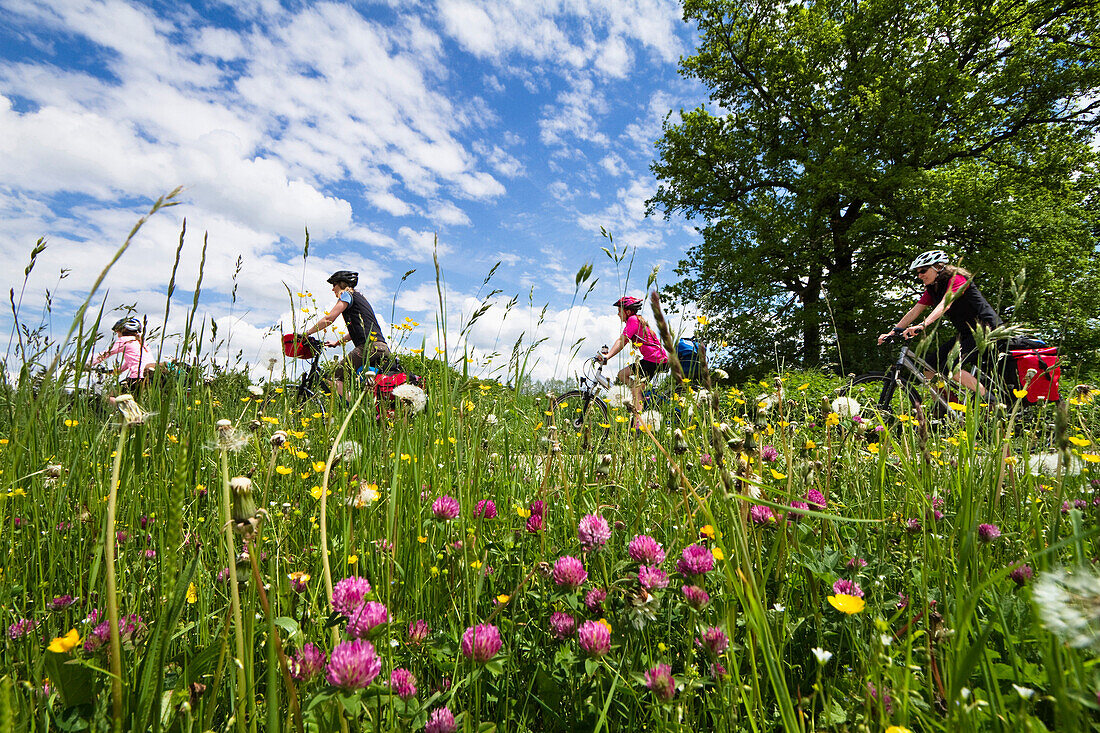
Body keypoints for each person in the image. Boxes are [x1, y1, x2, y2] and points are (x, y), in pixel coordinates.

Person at [877, 250, 1003, 395]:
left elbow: (945, 304)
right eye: (918, 272)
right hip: (967, 333)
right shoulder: (933, 288)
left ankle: (990, 402)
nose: (920, 275)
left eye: (923, 270)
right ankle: (945, 407)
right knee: (930, 366)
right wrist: (893, 332)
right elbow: (915, 311)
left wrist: (923, 325)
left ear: (938, 267)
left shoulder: (957, 280)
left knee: (951, 368)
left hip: (987, 329)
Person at [300, 270, 395, 399]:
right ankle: (369, 409)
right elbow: (359, 329)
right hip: (381, 347)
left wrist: (307, 333)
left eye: (334, 285)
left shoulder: (346, 295)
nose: (333, 289)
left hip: (369, 347)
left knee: (333, 377)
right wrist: (338, 342)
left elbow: (329, 319)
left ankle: (355, 410)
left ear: (342, 284)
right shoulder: (360, 298)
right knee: (362, 383)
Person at [597, 295, 669, 419]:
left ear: (628, 311)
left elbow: (622, 340)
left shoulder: (633, 320)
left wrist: (607, 356)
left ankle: (637, 422)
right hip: (653, 359)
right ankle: (640, 397)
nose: (618, 314)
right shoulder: (636, 320)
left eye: (620, 311)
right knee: (622, 375)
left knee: (631, 385)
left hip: (654, 359)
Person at [90, 316, 156, 397]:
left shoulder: (125, 340)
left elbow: (105, 354)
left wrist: (86, 364)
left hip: (137, 377)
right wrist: (114, 371)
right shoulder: (141, 342)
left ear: (123, 330)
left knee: (110, 396)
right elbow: (132, 362)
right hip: (150, 376)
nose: (117, 335)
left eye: (118, 332)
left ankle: (126, 409)